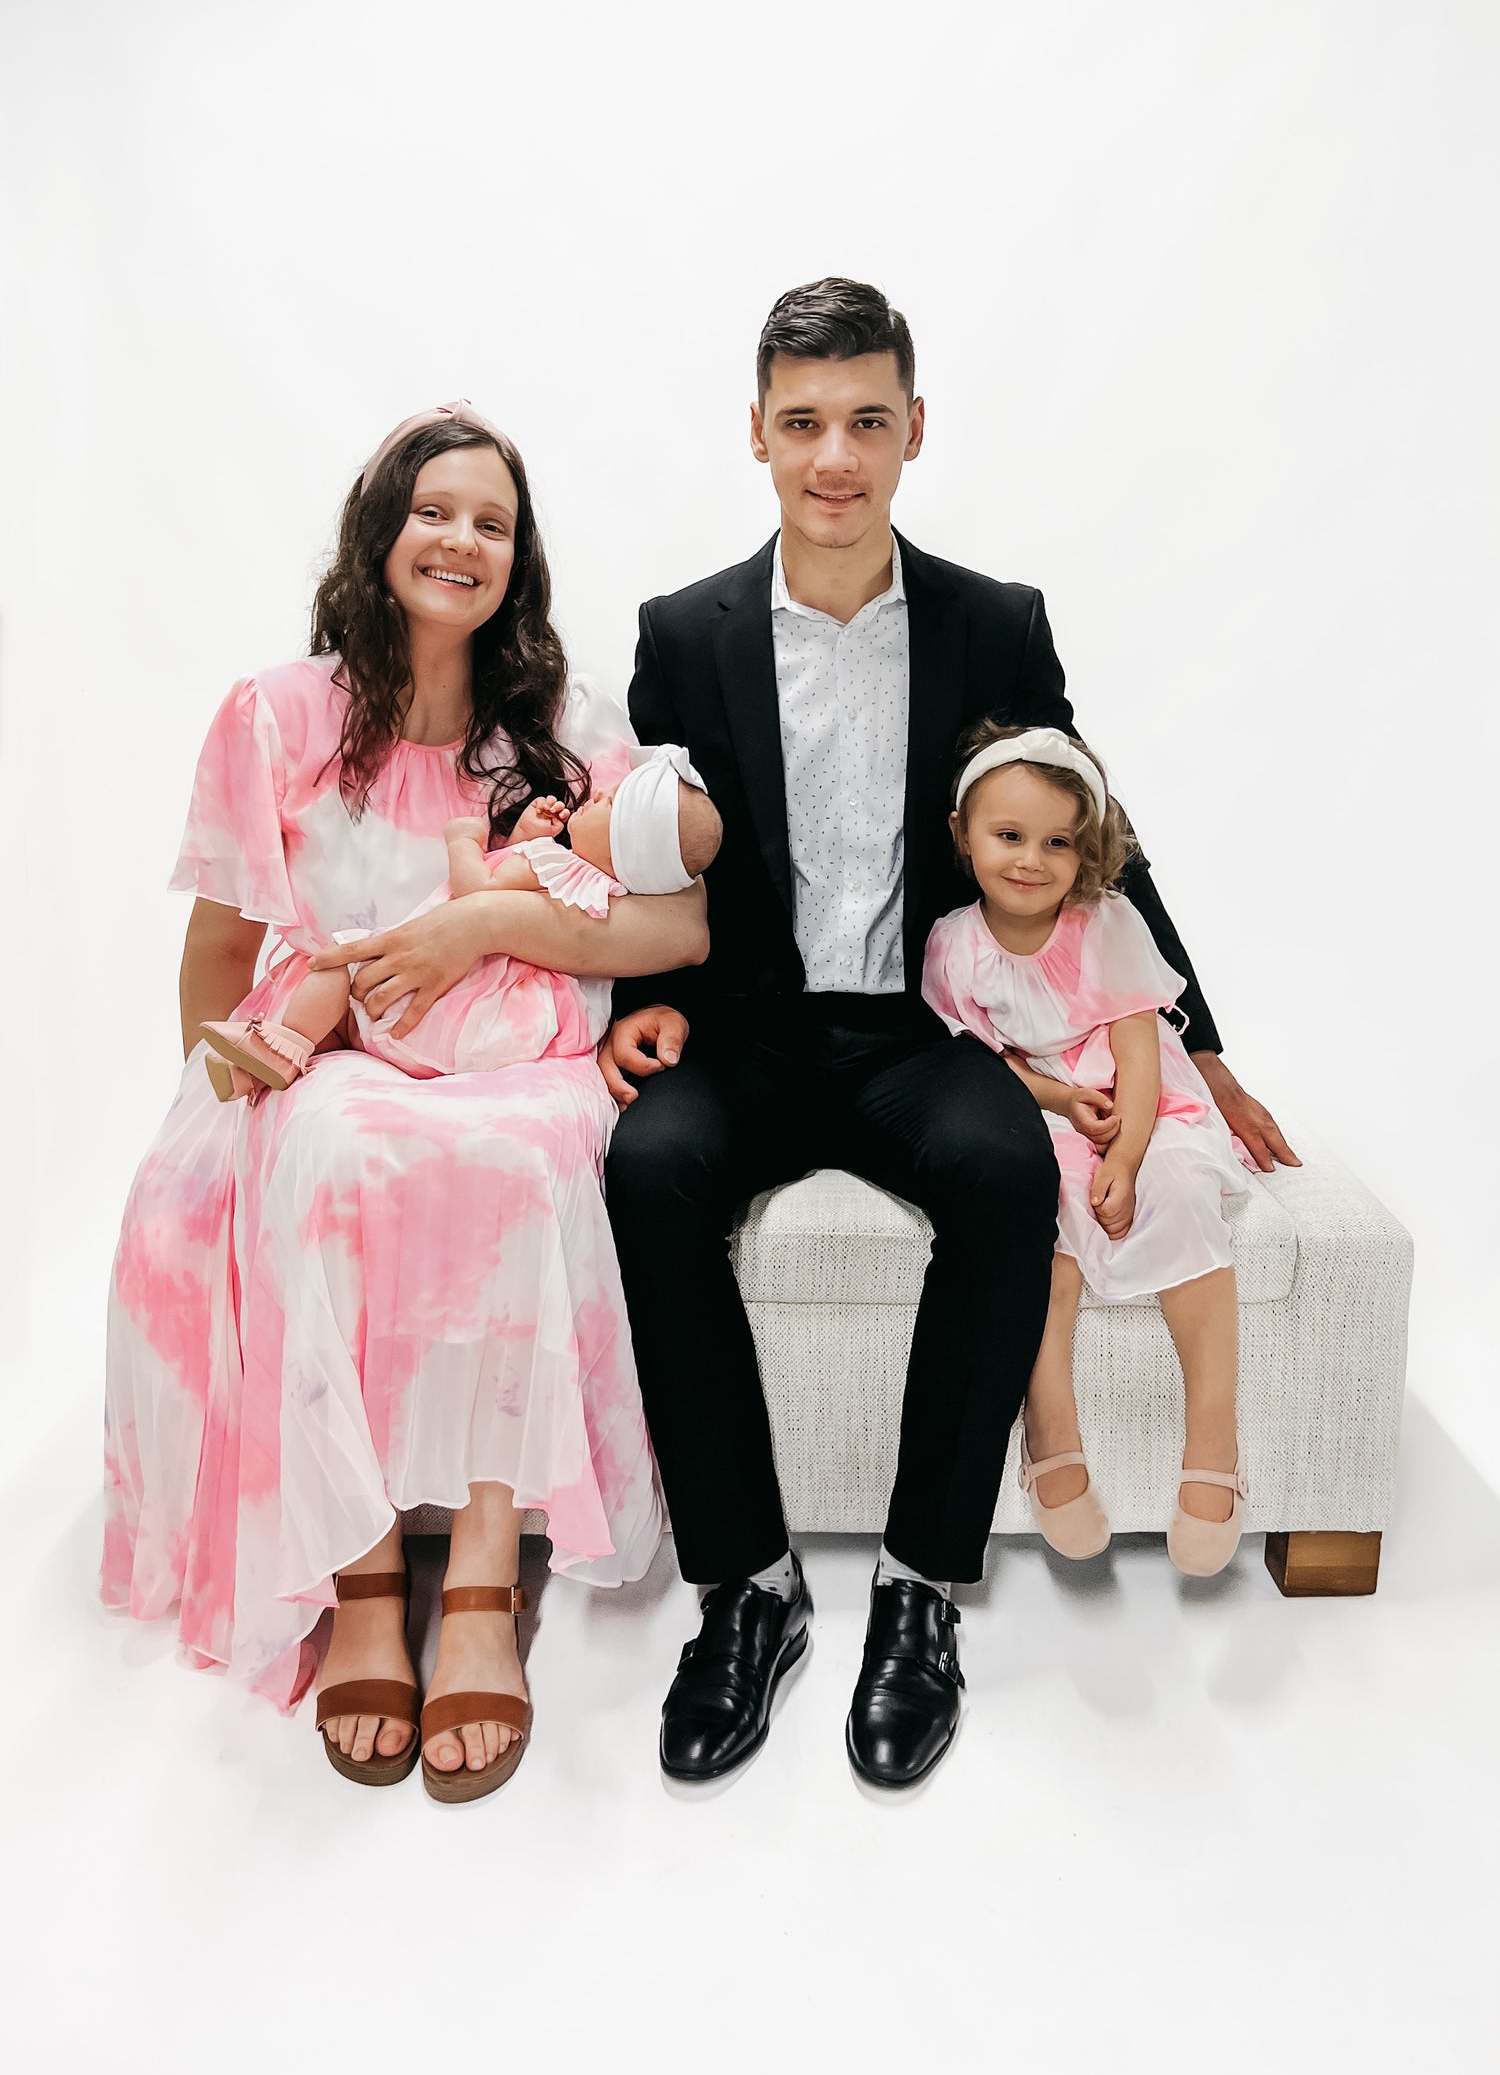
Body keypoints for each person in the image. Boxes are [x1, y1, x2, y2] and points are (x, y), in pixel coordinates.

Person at [597, 278, 1298, 1789]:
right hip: (756, 1030)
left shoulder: (995, 623)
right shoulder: (679, 632)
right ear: (758, 437)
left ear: (915, 428)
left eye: (865, 419)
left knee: (1006, 1174)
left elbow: (1094, 829)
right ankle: (748, 1593)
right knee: (647, 1170)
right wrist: (638, 1008)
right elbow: (644, 849)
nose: (833, 455)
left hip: (931, 1029)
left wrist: (1205, 1039)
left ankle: (920, 1590)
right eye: (802, 424)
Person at [103, 402, 707, 1804]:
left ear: (519, 561)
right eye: (434, 510)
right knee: (328, 1148)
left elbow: (675, 933)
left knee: (526, 1163)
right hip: (341, 1055)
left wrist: (472, 938)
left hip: (524, 1057)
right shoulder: (280, 715)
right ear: (380, 534)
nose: (461, 540)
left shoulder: (559, 730)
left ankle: (487, 1577)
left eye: (492, 522)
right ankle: (365, 1573)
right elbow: (219, 947)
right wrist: (224, 1072)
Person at [923, 722, 1252, 1576]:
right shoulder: (954, 944)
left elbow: (1139, 1051)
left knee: (1183, 1197)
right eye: (1009, 837)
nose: (1032, 860)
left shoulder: (1103, 922)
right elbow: (991, 1058)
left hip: (1142, 1103)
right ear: (964, 837)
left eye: (1058, 842)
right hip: (1044, 1103)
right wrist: (1061, 1100)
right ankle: (1052, 1436)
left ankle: (1213, 1448)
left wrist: (1129, 1155)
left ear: (1086, 851)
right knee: (1041, 1219)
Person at [196, 750, 720, 1100]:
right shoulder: (605, 893)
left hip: (457, 1003)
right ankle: (255, 1070)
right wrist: (524, 835)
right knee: (356, 1015)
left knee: (344, 964)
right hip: (509, 1033)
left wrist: (463, 843)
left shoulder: (552, 865)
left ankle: (281, 1047)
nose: (598, 796)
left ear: (627, 842)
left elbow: (478, 890)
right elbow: (522, 888)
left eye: (612, 803)